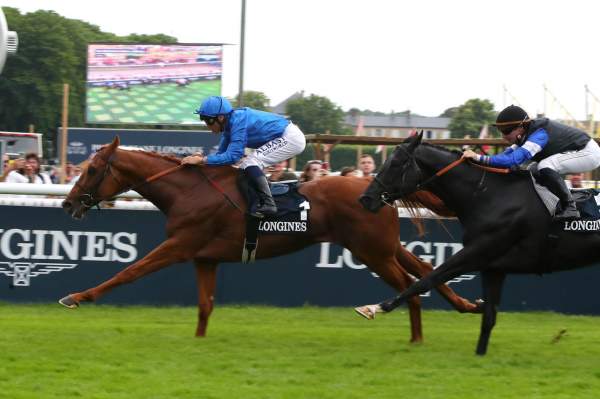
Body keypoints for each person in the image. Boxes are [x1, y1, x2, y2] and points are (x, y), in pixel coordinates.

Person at [462, 105, 600, 220]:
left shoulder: (539, 135)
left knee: (545, 165)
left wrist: (478, 157)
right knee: (533, 168)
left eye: (507, 131)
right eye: (500, 131)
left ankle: (570, 207)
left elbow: (512, 160)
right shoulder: (526, 134)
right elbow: (505, 155)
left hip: (589, 153)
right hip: (577, 151)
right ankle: (553, 206)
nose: (503, 136)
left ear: (521, 127)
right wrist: (478, 161)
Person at [181, 96, 306, 217]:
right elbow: (221, 156)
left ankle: (269, 204)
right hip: (286, 136)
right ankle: (260, 202)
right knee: (246, 165)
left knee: (250, 163)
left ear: (220, 117)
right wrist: (202, 160)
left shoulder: (238, 121)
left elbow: (234, 157)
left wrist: (202, 160)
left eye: (208, 120)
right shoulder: (229, 126)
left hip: (291, 137)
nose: (207, 125)